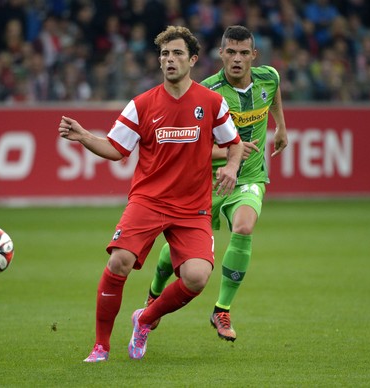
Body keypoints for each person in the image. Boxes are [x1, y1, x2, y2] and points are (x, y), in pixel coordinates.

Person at [58, 25, 244, 362]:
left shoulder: (211, 103)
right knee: (119, 261)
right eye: (164, 54)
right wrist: (84, 136)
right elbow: (116, 148)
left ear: (193, 59)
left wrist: (231, 168)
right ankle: (101, 346)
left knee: (198, 277)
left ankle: (144, 319)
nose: (169, 60)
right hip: (149, 200)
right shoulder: (142, 104)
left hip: (192, 207)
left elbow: (234, 145)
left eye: (176, 54)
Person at [144, 25, 288, 342]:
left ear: (254, 55)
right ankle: (154, 294)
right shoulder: (205, 94)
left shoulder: (269, 77)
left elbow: (274, 94)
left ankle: (221, 309)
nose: (237, 59)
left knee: (245, 227)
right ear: (220, 54)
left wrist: (280, 127)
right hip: (204, 182)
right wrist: (227, 152)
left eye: (243, 53)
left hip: (249, 176)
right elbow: (188, 147)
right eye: (230, 52)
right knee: (177, 251)